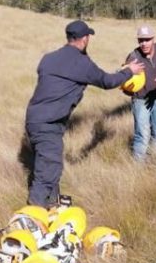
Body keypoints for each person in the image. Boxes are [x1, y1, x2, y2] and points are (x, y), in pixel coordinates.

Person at [25, 20, 144, 207]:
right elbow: (106, 81)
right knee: (48, 170)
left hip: (35, 119)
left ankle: (52, 204)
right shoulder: (81, 63)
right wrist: (129, 71)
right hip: (48, 123)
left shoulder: (48, 58)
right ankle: (33, 214)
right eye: (88, 37)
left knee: (50, 164)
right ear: (85, 39)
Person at [124, 25, 156, 161]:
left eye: (147, 40)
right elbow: (125, 83)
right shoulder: (133, 57)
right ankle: (138, 169)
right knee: (142, 135)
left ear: (154, 39)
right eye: (141, 40)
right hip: (140, 101)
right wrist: (127, 87)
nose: (144, 43)